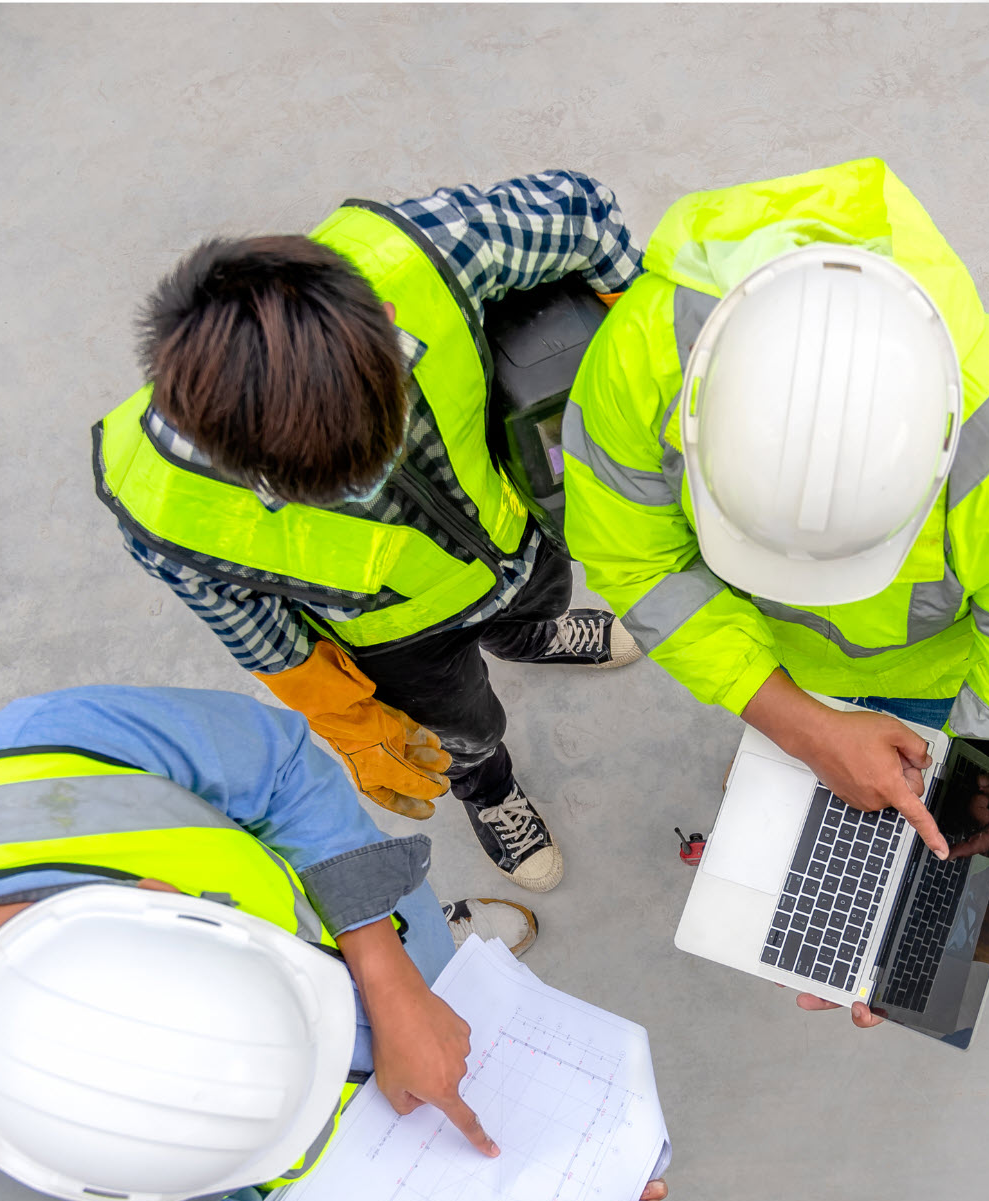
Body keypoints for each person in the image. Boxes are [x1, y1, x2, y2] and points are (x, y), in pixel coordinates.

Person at [0, 686, 669, 1201]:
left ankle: (439, 945)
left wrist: (387, 967)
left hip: (383, 945)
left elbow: (282, 772)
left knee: (413, 932)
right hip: (391, 1126)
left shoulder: (50, 755)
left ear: (155, 895)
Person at [561, 159, 989, 1026]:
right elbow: (636, 563)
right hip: (782, 662)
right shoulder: (648, 357)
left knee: (981, 782)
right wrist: (800, 724)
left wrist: (954, 886)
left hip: (946, 672)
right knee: (831, 763)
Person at [92, 173, 647, 895]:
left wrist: (646, 360)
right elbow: (264, 636)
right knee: (462, 730)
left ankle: (530, 637)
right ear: (229, 453)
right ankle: (489, 790)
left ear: (383, 318)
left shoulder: (428, 254)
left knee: (538, 599)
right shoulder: (164, 509)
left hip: (515, 531)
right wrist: (354, 720)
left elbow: (583, 214)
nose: (371, 484)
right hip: (400, 636)